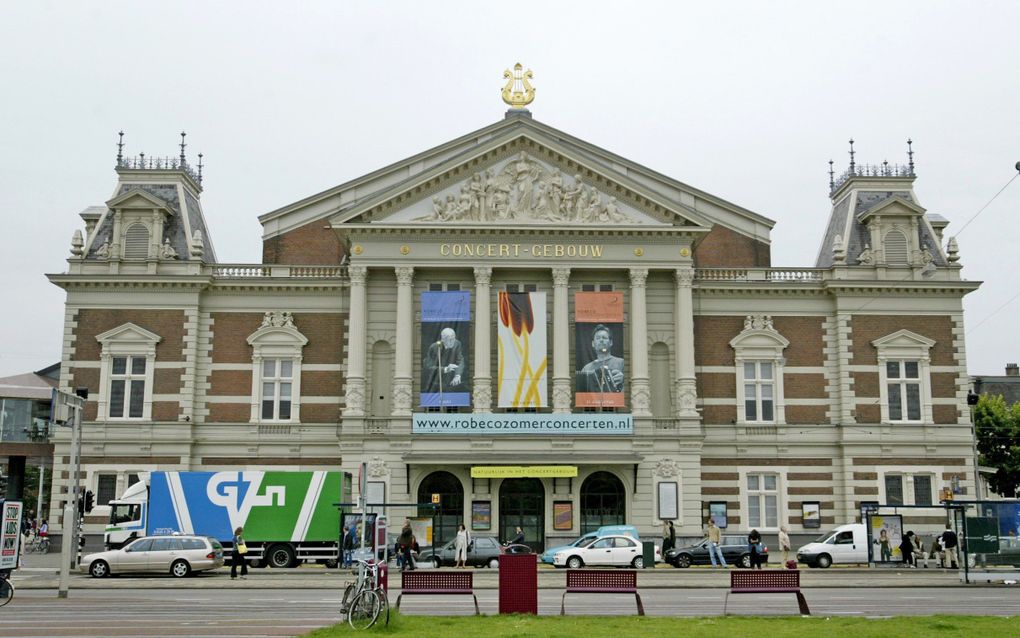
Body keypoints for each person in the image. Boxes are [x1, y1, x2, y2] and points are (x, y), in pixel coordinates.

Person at [576, 324, 625, 393]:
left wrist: (623, 380)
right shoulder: (586, 368)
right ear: (593, 344)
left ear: (611, 342)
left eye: (604, 338)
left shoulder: (621, 363)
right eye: (598, 338)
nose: (601, 340)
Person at [422, 327, 468, 395]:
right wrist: (445, 369)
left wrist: (457, 375)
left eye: (454, 338)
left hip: (452, 379)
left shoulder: (457, 344)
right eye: (450, 339)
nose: (453, 341)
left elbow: (460, 360)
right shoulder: (434, 347)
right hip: (437, 381)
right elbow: (428, 367)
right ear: (443, 339)